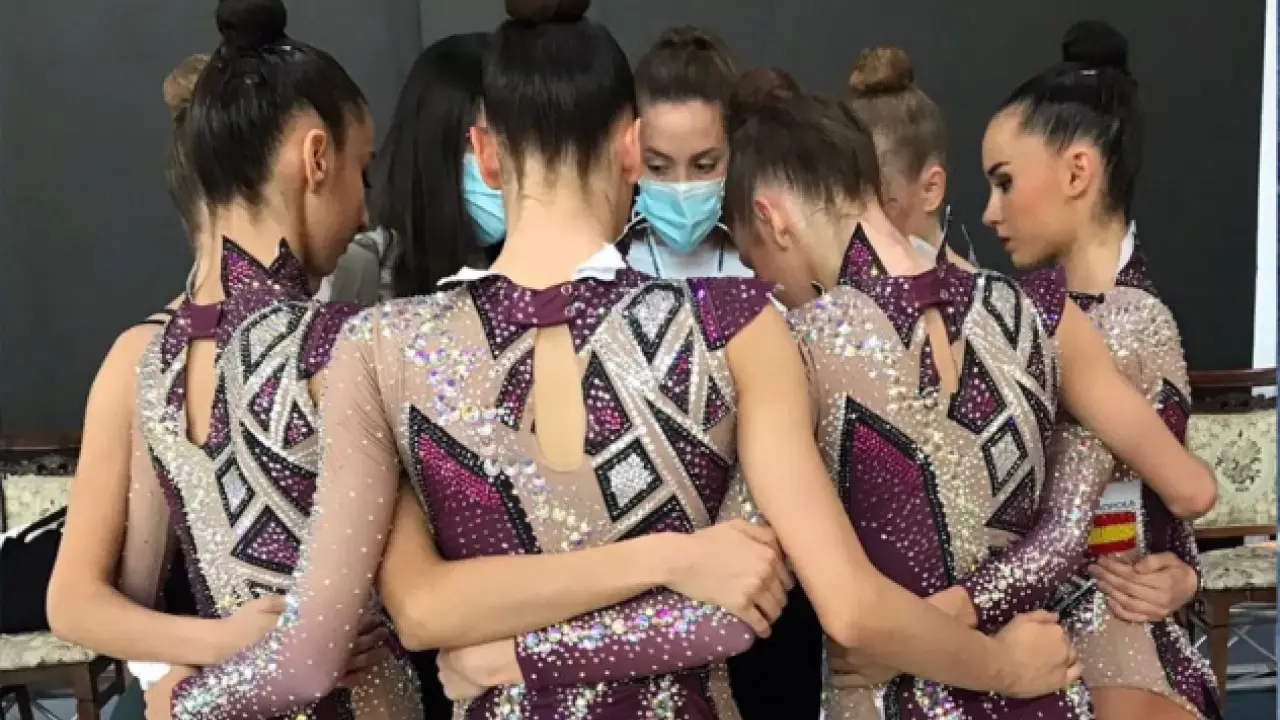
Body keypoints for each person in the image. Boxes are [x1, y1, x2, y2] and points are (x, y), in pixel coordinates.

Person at [150, 1, 1089, 718]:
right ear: (633, 148)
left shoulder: (378, 346)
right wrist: (1005, 669)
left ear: (483, 153)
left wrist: (187, 700)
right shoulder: (737, 325)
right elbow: (750, 604)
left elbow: (373, 631)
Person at [723, 69, 1216, 718]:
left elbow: (750, 573)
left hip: (891, 696)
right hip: (1046, 685)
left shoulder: (795, 346)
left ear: (771, 219)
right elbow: (1153, 501)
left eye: (754, 262)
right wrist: (1173, 569)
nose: (767, 285)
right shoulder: (1044, 312)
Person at [47, 2, 421, 719]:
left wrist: (209, 657)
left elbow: (77, 602)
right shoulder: (345, 344)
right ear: (317, 158)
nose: (364, 213)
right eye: (363, 171)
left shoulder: (145, 360)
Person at [985, 20, 1219, 720]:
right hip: (1072, 633)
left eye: (1004, 182)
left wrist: (940, 617)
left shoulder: (1124, 321)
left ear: (1076, 173)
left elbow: (1140, 506)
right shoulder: (1050, 313)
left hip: (1107, 647)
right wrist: (1184, 575)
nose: (990, 212)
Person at [622, 26, 750, 278]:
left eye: (704, 166)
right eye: (658, 167)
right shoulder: (606, 267)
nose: (682, 187)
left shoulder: (764, 263)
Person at [843, 46, 978, 265]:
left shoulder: (984, 287)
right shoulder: (836, 284)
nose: (855, 220)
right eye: (845, 199)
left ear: (931, 189)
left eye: (873, 200)